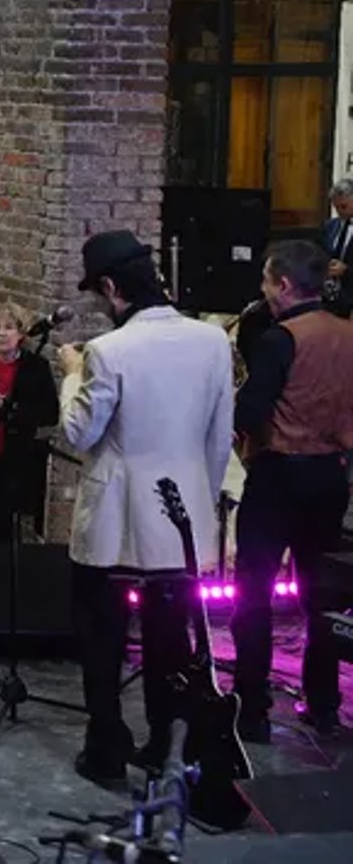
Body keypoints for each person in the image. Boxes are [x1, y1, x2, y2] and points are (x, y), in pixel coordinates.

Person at [59, 229, 233, 788]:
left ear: (111, 288)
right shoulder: (211, 342)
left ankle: (106, 750)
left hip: (114, 523)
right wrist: (200, 509)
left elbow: (79, 433)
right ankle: (166, 743)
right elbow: (218, 438)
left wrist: (69, 376)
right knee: (169, 639)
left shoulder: (107, 352)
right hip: (179, 523)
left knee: (102, 639)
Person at [229, 240, 353, 742]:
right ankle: (323, 704)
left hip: (279, 474)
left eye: (265, 281)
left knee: (253, 594)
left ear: (282, 285)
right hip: (331, 476)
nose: (262, 291)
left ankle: (251, 706)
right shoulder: (348, 334)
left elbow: (251, 412)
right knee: (319, 594)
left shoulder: (280, 339)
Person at [0, 304, 59, 542]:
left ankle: (5, 572)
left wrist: (3, 404)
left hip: (14, 457)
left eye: (8, 328)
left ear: (21, 334)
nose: (1, 334)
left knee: (8, 523)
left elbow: (49, 414)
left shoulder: (35, 367)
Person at [323, 179, 352, 316]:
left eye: (343, 206)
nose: (339, 212)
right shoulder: (330, 226)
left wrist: (347, 270)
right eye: (336, 207)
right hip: (329, 298)